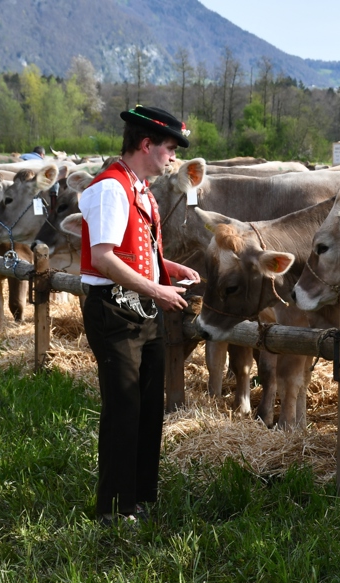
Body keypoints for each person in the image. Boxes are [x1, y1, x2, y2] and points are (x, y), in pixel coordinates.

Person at [79, 105, 200, 525]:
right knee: (124, 407)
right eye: (169, 148)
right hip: (114, 309)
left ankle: (137, 500)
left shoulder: (139, 188)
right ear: (146, 145)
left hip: (140, 307)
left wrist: (169, 269)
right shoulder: (112, 189)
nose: (173, 157)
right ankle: (113, 508)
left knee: (149, 405)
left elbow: (137, 252)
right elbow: (104, 259)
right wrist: (158, 290)